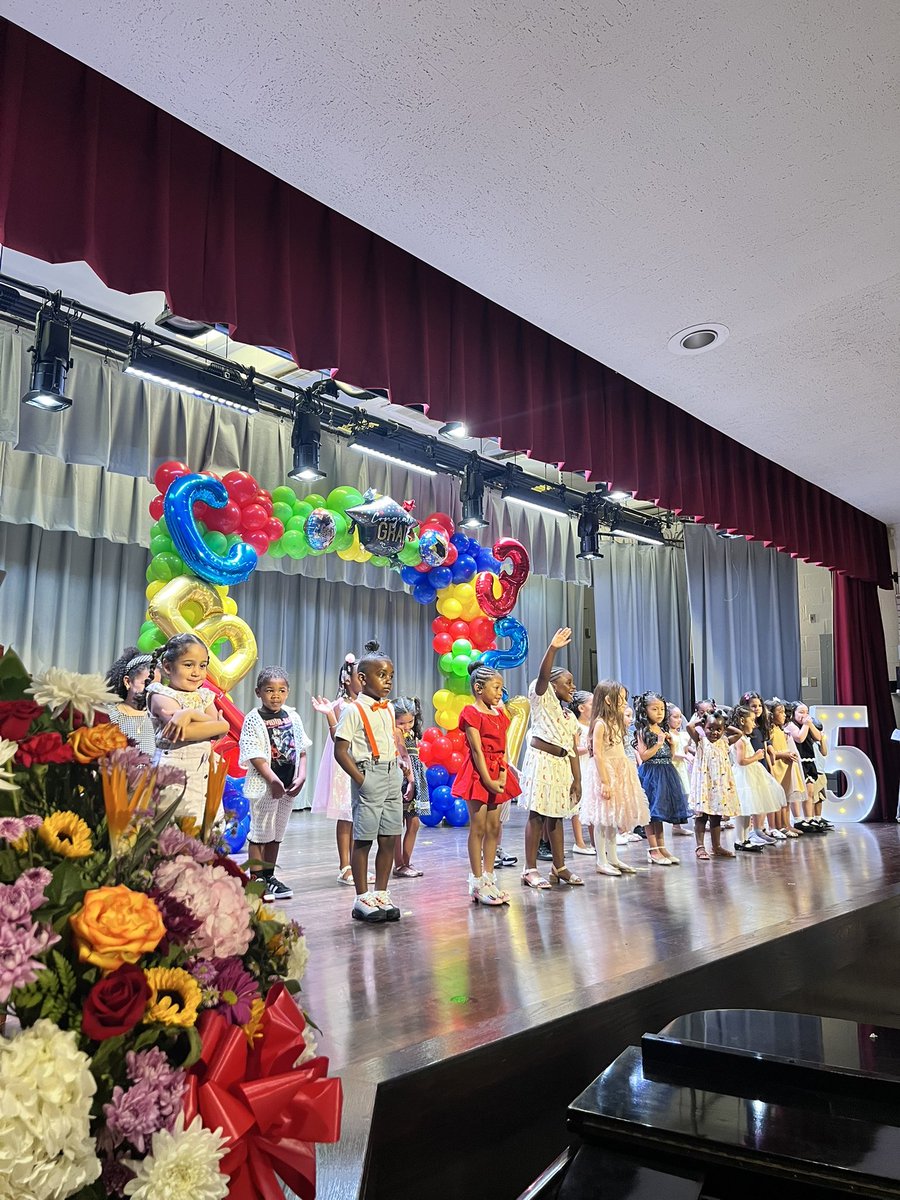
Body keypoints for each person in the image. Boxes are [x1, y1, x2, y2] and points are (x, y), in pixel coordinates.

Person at [334, 645, 404, 924]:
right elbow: (341, 750)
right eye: (381, 675)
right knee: (363, 838)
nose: (388, 681)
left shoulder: (389, 709)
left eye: (391, 675)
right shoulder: (352, 711)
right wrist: (362, 780)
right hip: (369, 774)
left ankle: (382, 893)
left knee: (389, 838)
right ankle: (362, 898)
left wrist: (399, 769)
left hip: (390, 774)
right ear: (362, 679)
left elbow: (392, 741)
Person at [238, 667, 311, 900]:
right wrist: (272, 780)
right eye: (269, 690)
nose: (275, 695)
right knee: (260, 832)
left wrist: (301, 776)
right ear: (259, 692)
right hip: (265, 786)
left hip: (288, 787)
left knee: (277, 833)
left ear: (288, 692)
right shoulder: (253, 719)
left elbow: (301, 750)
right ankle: (256, 878)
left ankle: (269, 875)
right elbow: (255, 754)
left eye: (281, 690)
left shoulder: (292, 716)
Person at [519, 629, 583, 889]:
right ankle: (530, 868)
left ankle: (560, 866)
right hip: (541, 761)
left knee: (556, 816)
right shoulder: (542, 696)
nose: (573, 687)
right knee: (537, 815)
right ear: (554, 685)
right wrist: (553, 648)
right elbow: (543, 675)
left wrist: (577, 780)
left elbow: (572, 749)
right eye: (568, 682)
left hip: (561, 765)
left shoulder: (569, 716)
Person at [452, 664, 521, 905]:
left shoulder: (500, 714)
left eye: (501, 688)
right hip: (479, 774)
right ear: (478, 688)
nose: (500, 693)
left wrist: (502, 774)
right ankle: (477, 880)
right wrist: (489, 781)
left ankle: (490, 877)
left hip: (497, 771)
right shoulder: (471, 712)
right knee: (478, 827)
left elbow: (503, 748)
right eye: (496, 687)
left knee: (494, 827)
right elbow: (477, 750)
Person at [147, 634, 229, 826]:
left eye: (202, 665)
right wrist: (215, 724)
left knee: (208, 831)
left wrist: (190, 714)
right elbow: (185, 732)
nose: (196, 672)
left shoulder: (204, 696)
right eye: (188, 665)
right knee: (176, 832)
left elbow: (221, 730)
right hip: (174, 774)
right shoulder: (160, 694)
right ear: (167, 667)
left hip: (205, 774)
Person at [311, 649, 375, 885]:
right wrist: (329, 715)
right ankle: (345, 866)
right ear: (348, 679)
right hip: (345, 765)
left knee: (360, 816)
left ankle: (357, 865)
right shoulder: (341, 705)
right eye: (361, 676)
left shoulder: (369, 704)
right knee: (346, 815)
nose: (365, 680)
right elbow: (337, 736)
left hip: (364, 762)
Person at [582, 680, 648, 877]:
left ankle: (613, 857)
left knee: (612, 818)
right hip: (606, 772)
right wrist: (604, 781)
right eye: (621, 699)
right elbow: (599, 754)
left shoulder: (617, 721)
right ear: (609, 700)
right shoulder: (600, 723)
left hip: (619, 769)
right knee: (603, 818)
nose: (625, 703)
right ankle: (601, 860)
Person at [634, 691, 689, 866]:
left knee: (660, 814)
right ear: (645, 710)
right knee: (651, 815)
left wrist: (671, 745)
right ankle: (653, 849)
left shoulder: (663, 729)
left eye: (662, 709)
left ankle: (662, 846)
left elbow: (670, 756)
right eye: (654, 709)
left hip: (666, 771)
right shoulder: (643, 731)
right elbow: (643, 756)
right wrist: (658, 743)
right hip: (651, 774)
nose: (659, 713)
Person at [730, 704, 786, 851]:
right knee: (742, 811)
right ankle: (739, 839)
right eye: (752, 720)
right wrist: (756, 756)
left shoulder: (744, 739)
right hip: (744, 776)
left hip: (750, 775)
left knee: (748, 810)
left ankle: (745, 839)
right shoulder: (740, 740)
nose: (755, 724)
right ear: (742, 721)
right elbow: (741, 761)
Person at [686, 708, 739, 859]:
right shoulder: (700, 740)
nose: (714, 732)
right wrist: (703, 721)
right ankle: (700, 847)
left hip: (719, 785)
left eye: (718, 729)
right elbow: (689, 727)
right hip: (704, 785)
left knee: (716, 816)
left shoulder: (725, 741)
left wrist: (723, 724)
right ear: (704, 727)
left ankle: (717, 846)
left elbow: (739, 733)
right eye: (710, 728)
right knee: (701, 816)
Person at [393, 696, 428, 878]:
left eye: (410, 721)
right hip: (403, 779)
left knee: (413, 823)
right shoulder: (395, 733)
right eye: (401, 722)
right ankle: (399, 864)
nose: (406, 726)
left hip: (414, 777)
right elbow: (404, 758)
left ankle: (406, 861)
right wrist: (411, 782)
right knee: (397, 824)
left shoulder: (411, 733)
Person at [785, 702, 833, 831]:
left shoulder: (808, 724)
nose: (804, 715)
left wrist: (810, 724)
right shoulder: (790, 725)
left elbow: (818, 737)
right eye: (801, 712)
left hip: (809, 760)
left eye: (806, 712)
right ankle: (798, 820)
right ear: (793, 713)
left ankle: (809, 818)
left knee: (810, 792)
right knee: (797, 793)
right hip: (798, 761)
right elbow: (799, 738)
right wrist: (806, 725)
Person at [105, 646, 160, 755]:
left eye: (157, 685)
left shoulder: (158, 717)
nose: (152, 689)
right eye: (146, 683)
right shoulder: (111, 714)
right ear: (127, 682)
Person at [767, 698, 808, 836]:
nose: (784, 715)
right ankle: (779, 826)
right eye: (780, 712)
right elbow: (770, 752)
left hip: (786, 767)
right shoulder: (770, 730)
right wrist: (784, 754)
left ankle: (787, 824)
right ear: (771, 714)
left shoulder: (781, 730)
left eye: (785, 712)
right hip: (777, 767)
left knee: (786, 799)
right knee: (779, 800)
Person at [570, 690, 596, 855]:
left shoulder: (593, 725)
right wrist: (589, 747)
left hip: (591, 766)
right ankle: (579, 842)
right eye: (592, 704)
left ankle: (594, 842)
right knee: (578, 806)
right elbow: (574, 748)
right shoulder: (576, 726)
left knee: (592, 803)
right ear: (581, 708)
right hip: (580, 766)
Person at [668, 704, 693, 839]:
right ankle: (676, 825)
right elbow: (672, 754)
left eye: (680, 717)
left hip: (682, 767)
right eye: (675, 717)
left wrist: (689, 755)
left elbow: (685, 750)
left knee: (684, 794)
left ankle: (678, 825)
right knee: (677, 795)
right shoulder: (668, 735)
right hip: (673, 767)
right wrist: (684, 756)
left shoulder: (682, 735)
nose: (679, 720)